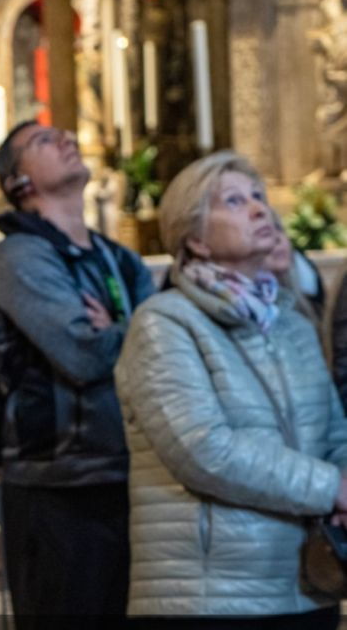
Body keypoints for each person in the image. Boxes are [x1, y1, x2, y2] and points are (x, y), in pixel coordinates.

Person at [115, 150, 347, 628]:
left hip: (308, 585)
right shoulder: (163, 323)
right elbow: (205, 450)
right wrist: (333, 488)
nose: (261, 209)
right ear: (195, 239)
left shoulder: (290, 321)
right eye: (236, 201)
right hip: (212, 596)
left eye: (260, 197)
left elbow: (334, 433)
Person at [0, 120, 155, 627]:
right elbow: (83, 355)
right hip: (56, 487)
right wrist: (133, 329)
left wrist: (120, 330)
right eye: (43, 141)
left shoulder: (120, 258)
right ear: (19, 183)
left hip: (127, 473)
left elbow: (166, 350)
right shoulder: (19, 256)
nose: (67, 139)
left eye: (62, 135)